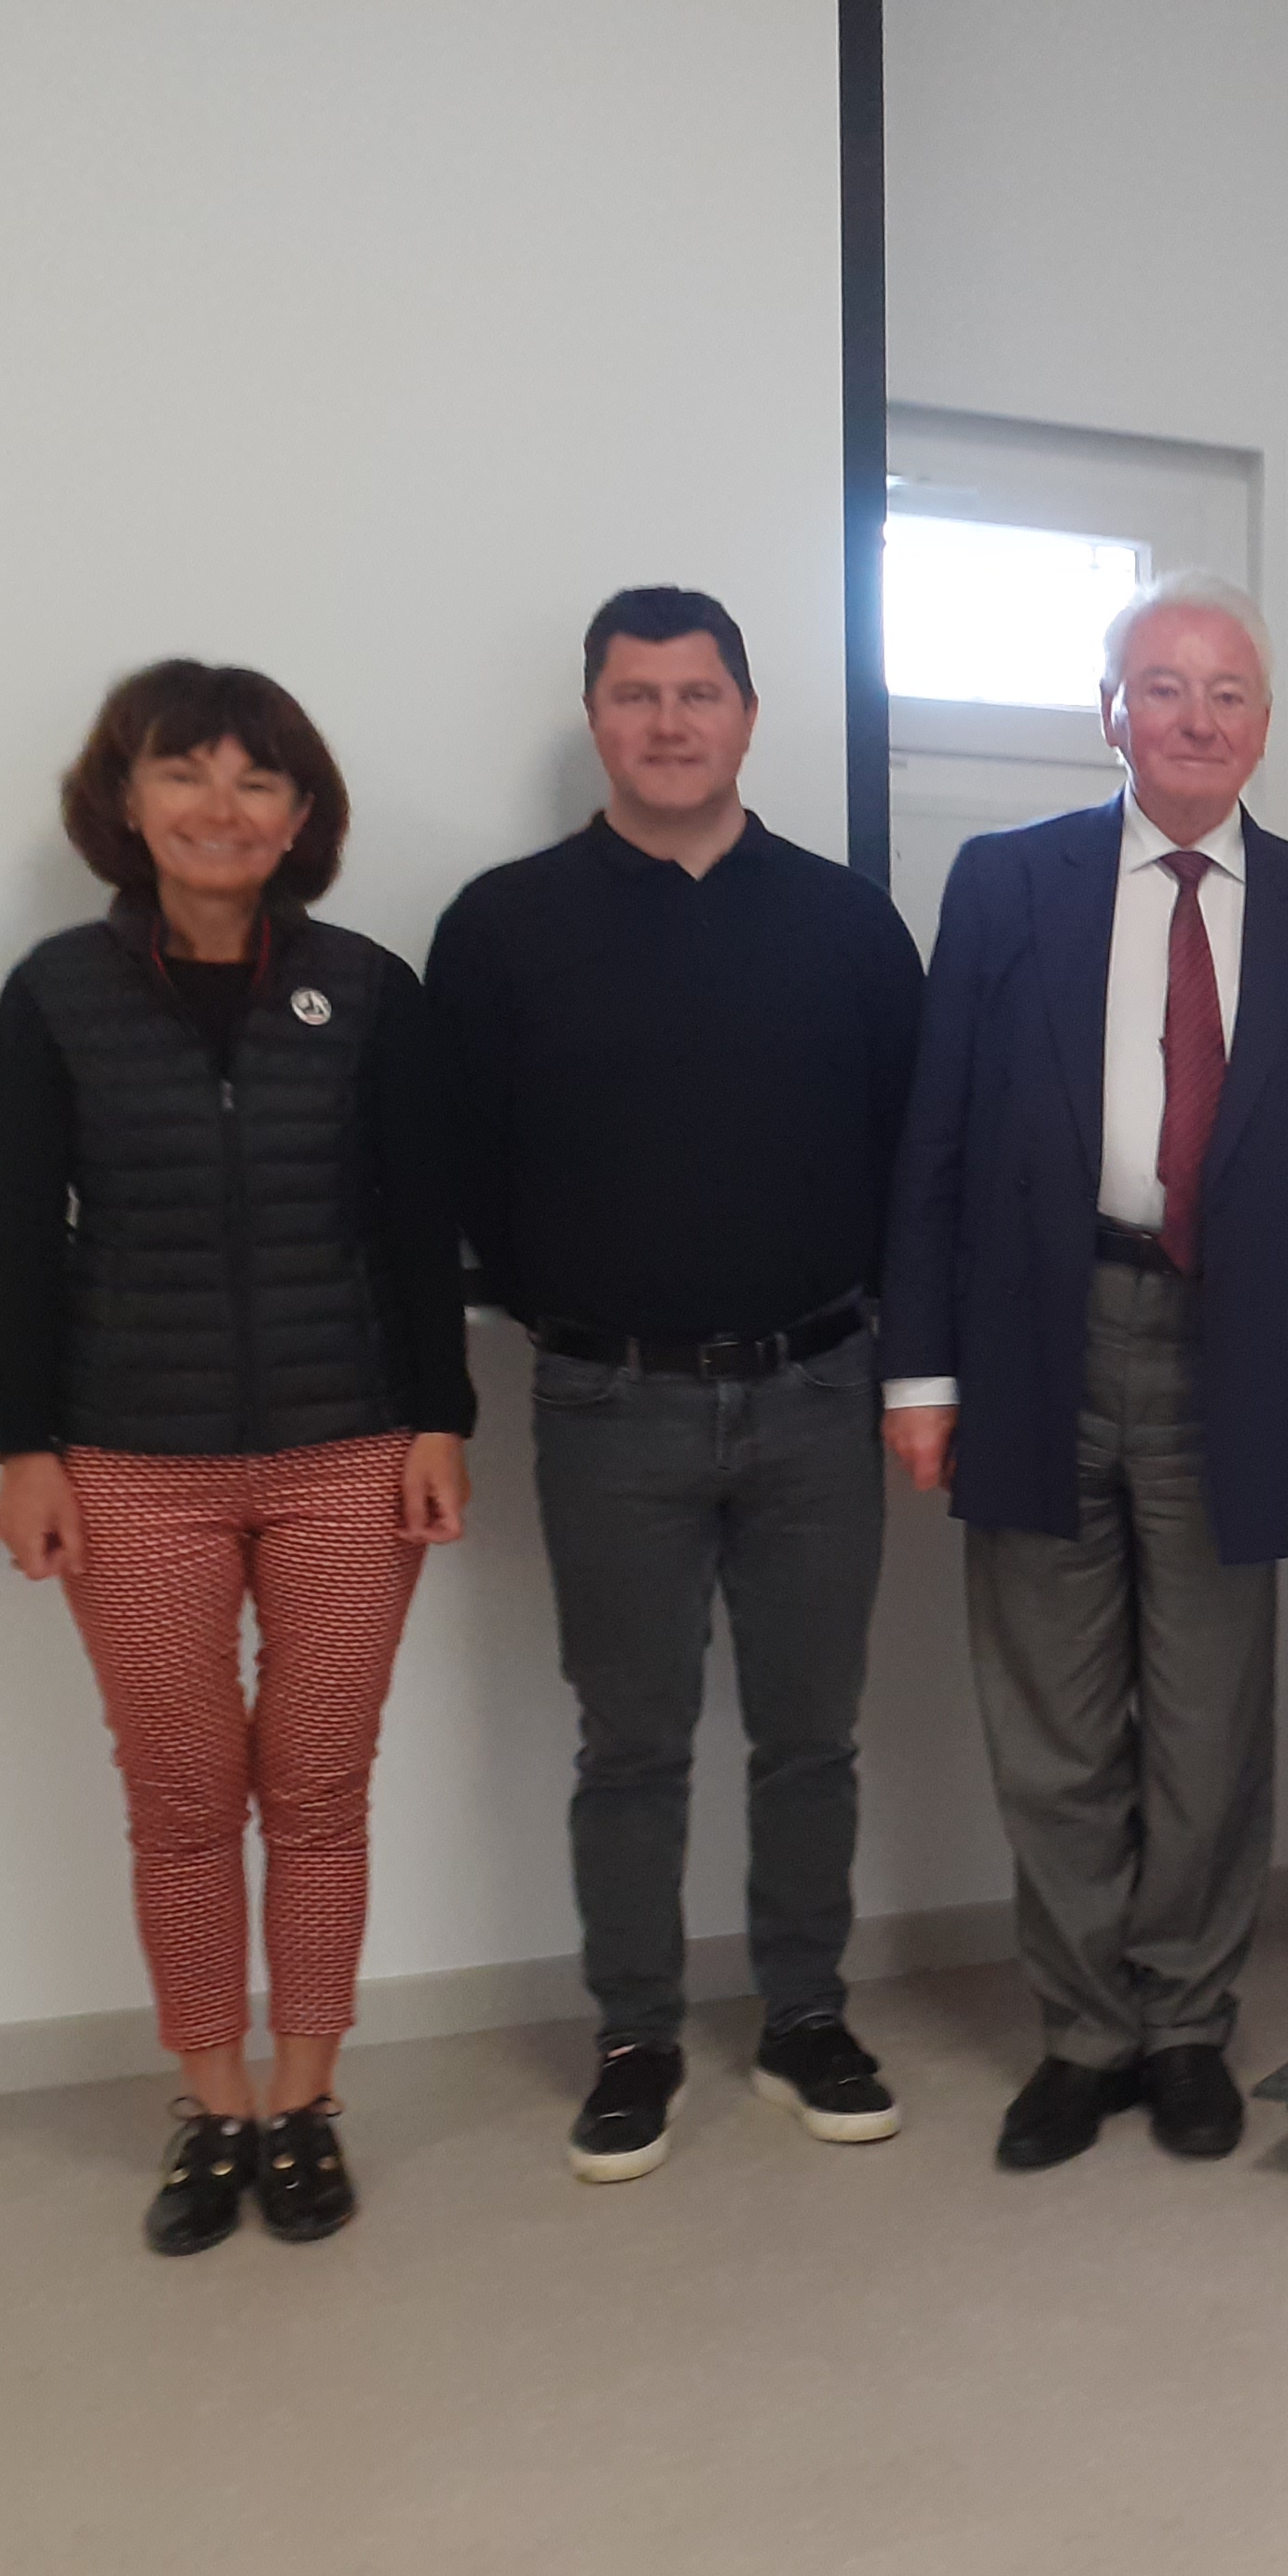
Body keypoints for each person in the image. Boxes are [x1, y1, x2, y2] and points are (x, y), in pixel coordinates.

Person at [428, 587, 926, 2185]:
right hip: (607, 1403)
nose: (667, 722)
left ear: (749, 715)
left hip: (816, 1390)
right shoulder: (502, 927)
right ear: (598, 717)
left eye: (697, 693)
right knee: (629, 1744)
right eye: (635, 695)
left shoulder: (849, 924)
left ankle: (801, 2019)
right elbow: (467, 1181)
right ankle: (636, 2034)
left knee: (810, 1734)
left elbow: (913, 1162)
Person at [0, 663, 472, 2253]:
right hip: (130, 1464)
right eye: (181, 773)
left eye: (254, 779)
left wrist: (439, 1423)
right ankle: (211, 2106)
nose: (217, 806)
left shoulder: (366, 989)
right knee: (187, 1794)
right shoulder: (56, 994)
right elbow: (20, 1244)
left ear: (302, 815)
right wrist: (27, 1449)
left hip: (349, 1457)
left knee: (317, 1788)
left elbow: (416, 1229)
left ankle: (306, 2102)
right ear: (122, 805)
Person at [880, 571, 1288, 2172]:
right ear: (1110, 713)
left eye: (1227, 694)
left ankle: (1188, 2024)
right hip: (1037, 1337)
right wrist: (919, 1379)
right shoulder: (1006, 886)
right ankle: (1082, 2033)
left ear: (1264, 728)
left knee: (1211, 1720)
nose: (1197, 719)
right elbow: (933, 1142)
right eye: (1163, 688)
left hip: (1235, 1354)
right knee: (1054, 1721)